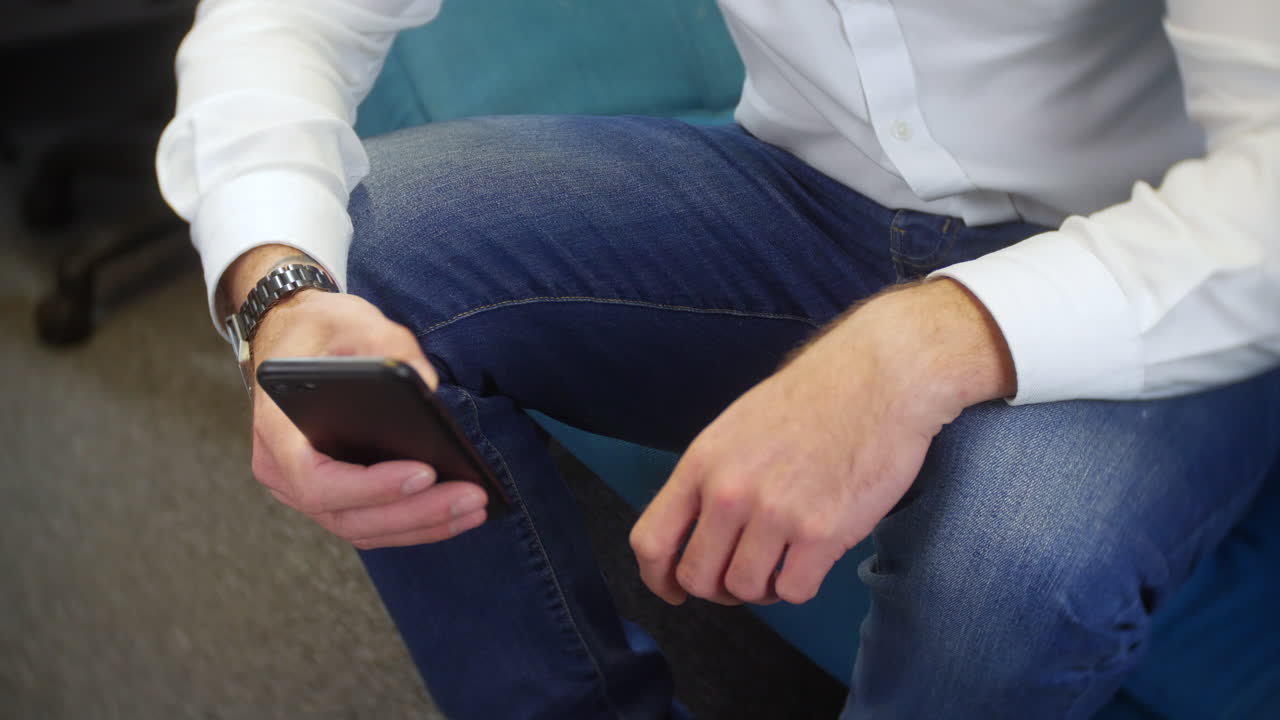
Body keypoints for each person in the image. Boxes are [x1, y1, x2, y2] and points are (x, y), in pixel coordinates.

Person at [156, 1, 1280, 718]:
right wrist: (281, 296)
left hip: (1149, 258)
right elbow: (280, 19)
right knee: (369, 261)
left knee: (1005, 575)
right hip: (815, 202)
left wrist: (914, 348)